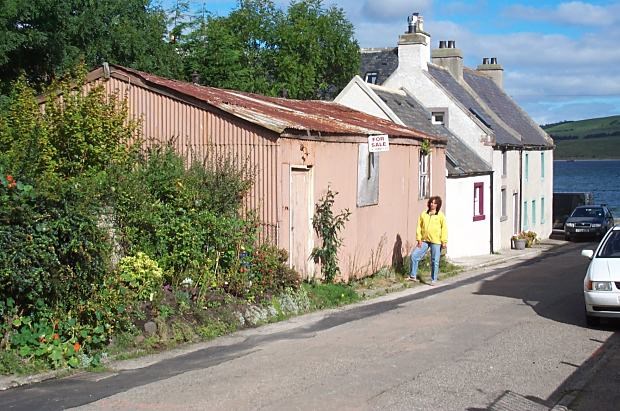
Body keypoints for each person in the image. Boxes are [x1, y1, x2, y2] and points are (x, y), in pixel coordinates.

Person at [408, 196, 448, 285]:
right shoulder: (423, 214)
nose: (432, 204)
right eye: (431, 202)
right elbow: (419, 226)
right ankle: (413, 276)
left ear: (438, 205)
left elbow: (444, 228)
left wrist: (444, 241)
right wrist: (419, 238)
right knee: (414, 255)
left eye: (434, 203)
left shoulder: (440, 215)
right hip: (424, 240)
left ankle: (434, 279)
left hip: (436, 241)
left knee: (435, 260)